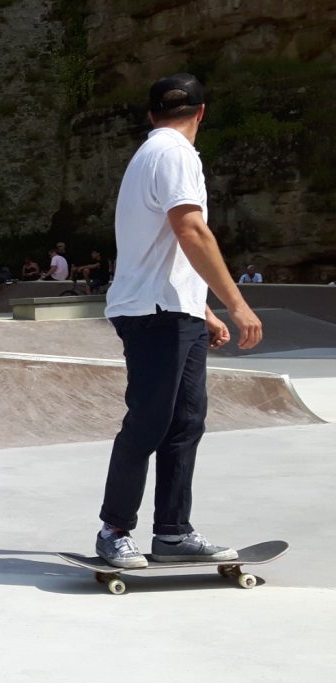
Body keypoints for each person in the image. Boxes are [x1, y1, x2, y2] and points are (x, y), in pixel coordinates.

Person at [92, 73, 264, 569]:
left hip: (173, 310)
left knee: (186, 421)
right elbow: (191, 230)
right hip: (154, 314)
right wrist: (237, 304)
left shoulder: (153, 153)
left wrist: (202, 309)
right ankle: (113, 529)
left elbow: (161, 246)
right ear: (202, 113)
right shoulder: (174, 153)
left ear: (151, 114)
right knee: (149, 421)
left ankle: (172, 531)